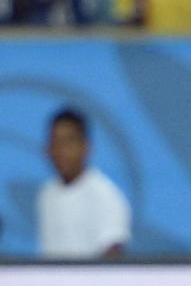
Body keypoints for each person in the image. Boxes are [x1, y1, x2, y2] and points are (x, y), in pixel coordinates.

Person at [37, 108, 131, 259]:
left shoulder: (105, 196)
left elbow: (113, 257)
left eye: (68, 142)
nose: (61, 150)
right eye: (55, 142)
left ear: (86, 147)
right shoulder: (47, 194)